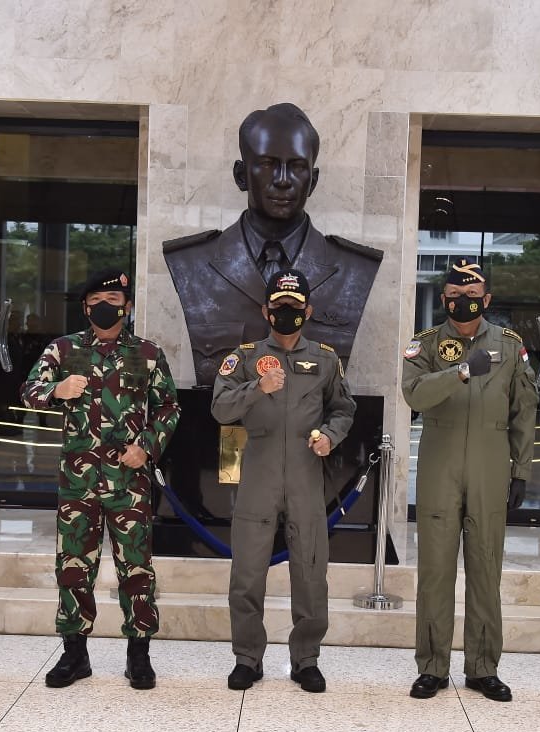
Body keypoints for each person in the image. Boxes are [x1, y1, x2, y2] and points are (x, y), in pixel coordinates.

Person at [21, 269, 180, 690]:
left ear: (127, 306)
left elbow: (169, 407)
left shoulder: (147, 353)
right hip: (79, 482)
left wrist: (146, 446)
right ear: (85, 307)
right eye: (96, 301)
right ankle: (75, 654)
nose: (104, 307)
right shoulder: (64, 349)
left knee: (136, 568)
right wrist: (56, 390)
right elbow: (28, 391)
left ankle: (139, 654)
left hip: (129, 481)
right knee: (74, 567)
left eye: (112, 300)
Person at [163, 102, 382, 385]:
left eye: (297, 167)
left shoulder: (354, 269)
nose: (282, 180)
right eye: (267, 164)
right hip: (228, 413)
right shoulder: (191, 264)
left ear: (313, 181)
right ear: (241, 175)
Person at [211, 269, 355, 693]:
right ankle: (247, 658)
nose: (287, 312)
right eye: (279, 306)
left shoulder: (325, 359)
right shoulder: (245, 357)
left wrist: (330, 437)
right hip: (257, 471)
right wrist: (258, 387)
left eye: (294, 306)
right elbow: (220, 409)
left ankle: (306, 659)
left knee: (310, 570)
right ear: (265, 311)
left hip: (306, 474)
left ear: (307, 311)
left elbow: (343, 409)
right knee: (247, 572)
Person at [401, 260, 538, 701]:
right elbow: (414, 394)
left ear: (487, 299)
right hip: (440, 464)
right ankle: (432, 667)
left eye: (473, 295)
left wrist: (521, 470)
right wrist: (459, 371)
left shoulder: (509, 345)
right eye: (456, 295)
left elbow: (524, 410)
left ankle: (482, 668)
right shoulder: (425, 344)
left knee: (485, 568)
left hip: (490, 462)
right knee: (435, 571)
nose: (464, 301)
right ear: (444, 299)